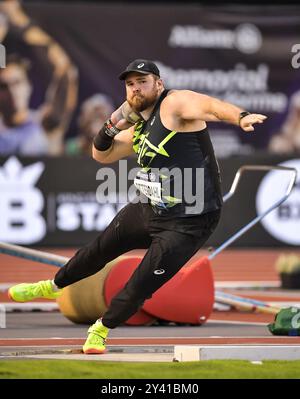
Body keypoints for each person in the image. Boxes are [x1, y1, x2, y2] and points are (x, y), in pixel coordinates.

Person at [8, 59, 267, 354]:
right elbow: (101, 155)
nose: (136, 88)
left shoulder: (175, 104)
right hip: (149, 206)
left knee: (141, 282)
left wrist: (241, 116)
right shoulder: (140, 127)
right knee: (98, 249)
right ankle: (51, 286)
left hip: (190, 219)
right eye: (130, 84)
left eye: (142, 82)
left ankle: (101, 329)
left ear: (158, 83)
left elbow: (210, 105)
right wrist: (111, 125)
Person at [0, 0, 78, 156]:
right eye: (4, 86)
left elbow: (66, 70)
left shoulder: (46, 123)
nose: (12, 91)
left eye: (17, 83)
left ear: (29, 85)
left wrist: (19, 21)